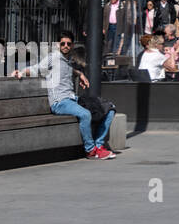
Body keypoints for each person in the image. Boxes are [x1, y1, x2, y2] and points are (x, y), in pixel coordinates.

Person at [12, 31, 116, 160]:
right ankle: (90, 150)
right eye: (63, 43)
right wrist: (21, 72)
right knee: (85, 114)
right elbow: (37, 68)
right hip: (60, 102)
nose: (65, 46)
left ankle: (99, 145)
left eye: (68, 44)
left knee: (109, 108)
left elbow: (67, 69)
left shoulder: (68, 60)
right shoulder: (53, 57)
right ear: (58, 45)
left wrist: (79, 74)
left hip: (73, 100)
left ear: (72, 45)